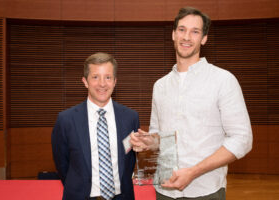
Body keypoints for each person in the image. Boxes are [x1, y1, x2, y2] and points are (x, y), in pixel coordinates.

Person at [130, 6, 253, 200]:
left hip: (205, 191)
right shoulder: (160, 86)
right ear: (173, 34)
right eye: (182, 29)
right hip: (164, 189)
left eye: (195, 31)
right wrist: (148, 141)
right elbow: (160, 135)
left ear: (204, 38)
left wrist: (194, 171)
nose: (187, 37)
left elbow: (242, 139)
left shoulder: (223, 80)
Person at [52, 52, 139, 200]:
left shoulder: (130, 117)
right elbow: (62, 163)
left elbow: (130, 161)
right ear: (85, 81)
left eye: (108, 77)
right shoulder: (66, 120)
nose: (102, 84)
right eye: (95, 77)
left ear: (115, 81)